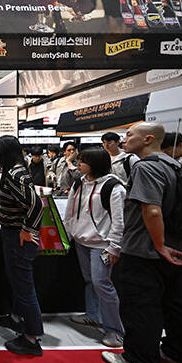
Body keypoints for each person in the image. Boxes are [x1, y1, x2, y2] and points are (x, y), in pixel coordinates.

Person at [102, 122, 182, 363]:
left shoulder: (146, 167)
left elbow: (151, 210)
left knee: (141, 307)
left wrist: (159, 244)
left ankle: (140, 362)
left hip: (145, 251)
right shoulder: (174, 165)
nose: (124, 139)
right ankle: (177, 354)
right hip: (175, 250)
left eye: (130, 135)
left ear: (148, 139)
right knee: (175, 305)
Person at [64, 148, 125, 348]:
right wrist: (67, 236)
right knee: (90, 280)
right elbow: (70, 212)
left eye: (83, 161)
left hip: (102, 245)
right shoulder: (79, 183)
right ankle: (92, 315)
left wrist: (114, 246)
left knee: (102, 284)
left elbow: (119, 221)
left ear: (95, 164)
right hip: (81, 241)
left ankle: (115, 330)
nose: (78, 164)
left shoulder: (113, 187)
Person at [0, 135, 44, 356]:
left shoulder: (14, 174)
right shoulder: (19, 171)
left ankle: (32, 337)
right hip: (12, 234)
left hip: (17, 236)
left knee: (24, 286)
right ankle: (17, 318)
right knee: (17, 281)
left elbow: (36, 204)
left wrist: (27, 229)